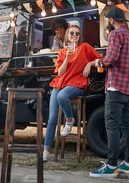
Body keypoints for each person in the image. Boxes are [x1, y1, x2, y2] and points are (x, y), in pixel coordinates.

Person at [90, 7, 129, 177]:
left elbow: (111, 58)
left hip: (116, 87)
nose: (106, 22)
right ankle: (128, 163)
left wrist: (99, 63)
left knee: (112, 125)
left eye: (106, 19)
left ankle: (111, 166)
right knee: (127, 125)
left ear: (111, 20)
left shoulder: (115, 34)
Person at [43, 25, 102, 161]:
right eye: (72, 33)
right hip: (61, 82)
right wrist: (67, 59)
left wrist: (89, 64)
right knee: (52, 119)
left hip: (77, 83)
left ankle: (70, 120)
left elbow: (100, 60)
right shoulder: (63, 52)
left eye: (77, 33)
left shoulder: (85, 47)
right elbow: (60, 73)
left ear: (79, 36)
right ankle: (46, 150)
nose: (74, 35)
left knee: (62, 96)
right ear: (67, 36)